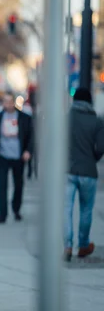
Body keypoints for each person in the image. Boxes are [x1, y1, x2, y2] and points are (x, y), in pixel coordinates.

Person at [64, 87, 104, 261]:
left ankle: (67, 245)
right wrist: (92, 158)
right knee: (86, 210)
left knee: (66, 209)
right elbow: (101, 147)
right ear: (89, 101)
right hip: (89, 171)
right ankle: (83, 245)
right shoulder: (96, 121)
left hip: (68, 170)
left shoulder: (66, 119)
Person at [0, 92, 33, 224]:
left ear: (14, 102)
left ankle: (16, 209)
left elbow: (31, 136)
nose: (8, 104)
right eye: (5, 101)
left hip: (19, 156)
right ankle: (2, 214)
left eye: (10, 101)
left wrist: (28, 151)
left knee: (18, 184)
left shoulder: (24, 118)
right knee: (2, 186)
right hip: (3, 156)